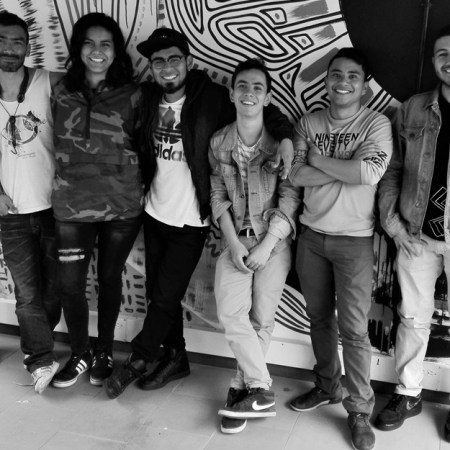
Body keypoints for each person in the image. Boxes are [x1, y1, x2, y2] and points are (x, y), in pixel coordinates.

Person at [104, 28, 294, 399]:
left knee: (164, 296)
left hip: (192, 219)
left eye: (174, 59)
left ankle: (139, 360)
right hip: (154, 212)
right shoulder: (148, 98)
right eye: (158, 61)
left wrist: (286, 138)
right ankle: (175, 356)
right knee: (161, 293)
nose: (167, 67)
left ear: (189, 61)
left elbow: (259, 108)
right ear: (151, 68)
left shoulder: (211, 97)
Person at [288, 48, 393, 450]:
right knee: (318, 318)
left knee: (354, 329)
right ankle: (327, 386)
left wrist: (320, 160)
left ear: (364, 86)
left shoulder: (376, 123)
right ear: (327, 79)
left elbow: (368, 172)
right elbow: (296, 175)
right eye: (336, 74)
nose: (342, 81)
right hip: (311, 237)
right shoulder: (308, 122)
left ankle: (359, 410)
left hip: (355, 241)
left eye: (352, 76)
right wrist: (340, 167)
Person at [50, 12, 143, 388]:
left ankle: (104, 350)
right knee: (70, 285)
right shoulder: (58, 89)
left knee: (109, 279)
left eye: (106, 43)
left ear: (117, 50)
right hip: (71, 205)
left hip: (121, 206)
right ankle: (80, 352)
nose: (97, 50)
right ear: (77, 48)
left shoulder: (134, 94)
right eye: (89, 42)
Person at [209, 58, 300, 434]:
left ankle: (241, 388)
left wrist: (267, 245)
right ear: (232, 94)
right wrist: (233, 243)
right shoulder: (219, 141)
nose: (249, 93)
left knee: (261, 320)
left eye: (257, 87)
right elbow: (217, 194)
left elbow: (291, 196)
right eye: (242, 86)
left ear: (267, 97)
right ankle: (261, 388)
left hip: (273, 243)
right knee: (232, 314)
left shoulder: (281, 144)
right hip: (235, 241)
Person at [376, 25, 450, 439]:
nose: (449, 61)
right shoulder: (413, 109)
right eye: (442, 54)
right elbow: (391, 172)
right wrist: (395, 227)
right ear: (433, 60)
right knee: (411, 318)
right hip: (415, 236)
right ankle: (408, 393)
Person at [0, 11, 62, 394]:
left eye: (17, 41)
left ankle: (41, 341)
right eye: (2, 40)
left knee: (55, 290)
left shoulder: (46, 81)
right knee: (26, 293)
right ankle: (39, 359)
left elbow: (95, 85)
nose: (9, 48)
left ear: (27, 46)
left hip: (56, 209)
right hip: (12, 215)